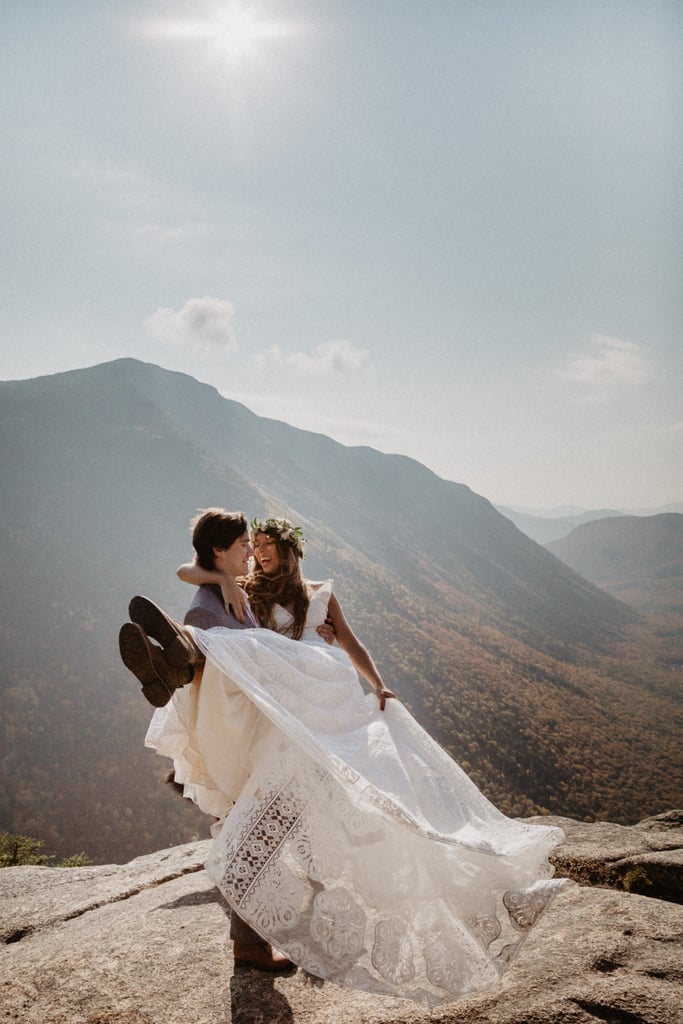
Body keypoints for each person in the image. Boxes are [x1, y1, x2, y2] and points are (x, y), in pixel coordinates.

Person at [122, 515, 569, 1006]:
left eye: (267, 546)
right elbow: (191, 572)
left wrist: (377, 684)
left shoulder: (314, 594)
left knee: (278, 817)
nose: (258, 553)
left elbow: (350, 642)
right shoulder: (250, 589)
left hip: (315, 698)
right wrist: (224, 577)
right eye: (253, 546)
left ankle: (186, 653)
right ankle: (187, 652)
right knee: (263, 812)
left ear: (292, 552)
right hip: (281, 709)